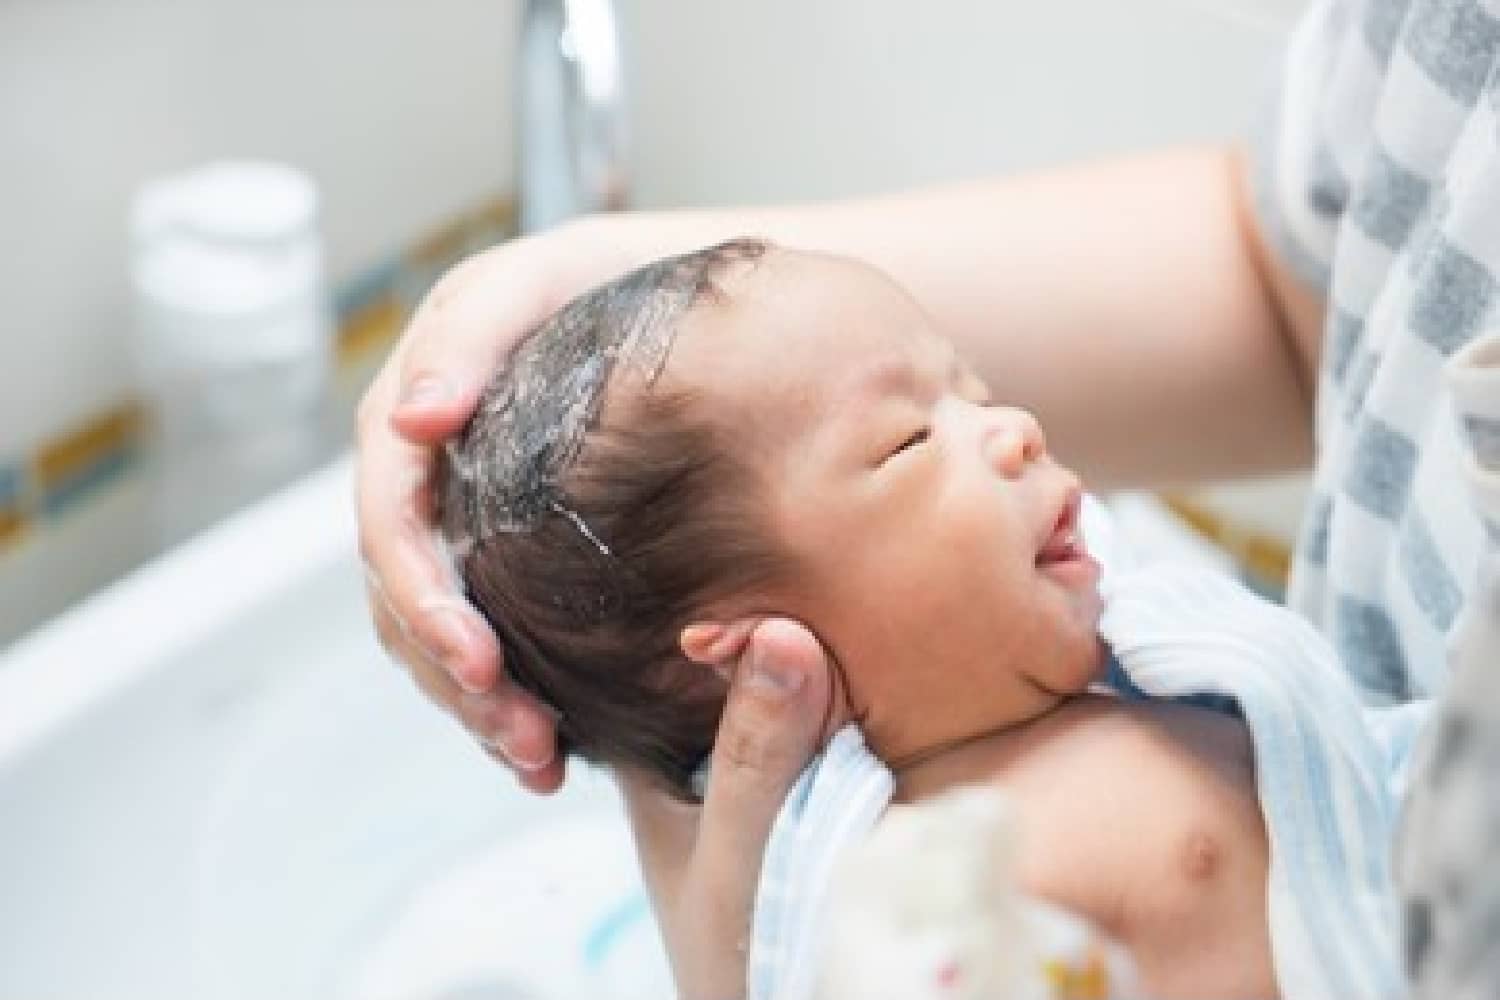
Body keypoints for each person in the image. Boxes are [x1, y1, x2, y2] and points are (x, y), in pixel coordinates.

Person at [356, 1, 1500, 995]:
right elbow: (1287, 274)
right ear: (752, 654)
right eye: (914, 437)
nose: (1014, 426)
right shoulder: (903, 900)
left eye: (970, 392)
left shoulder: (1101, 675)